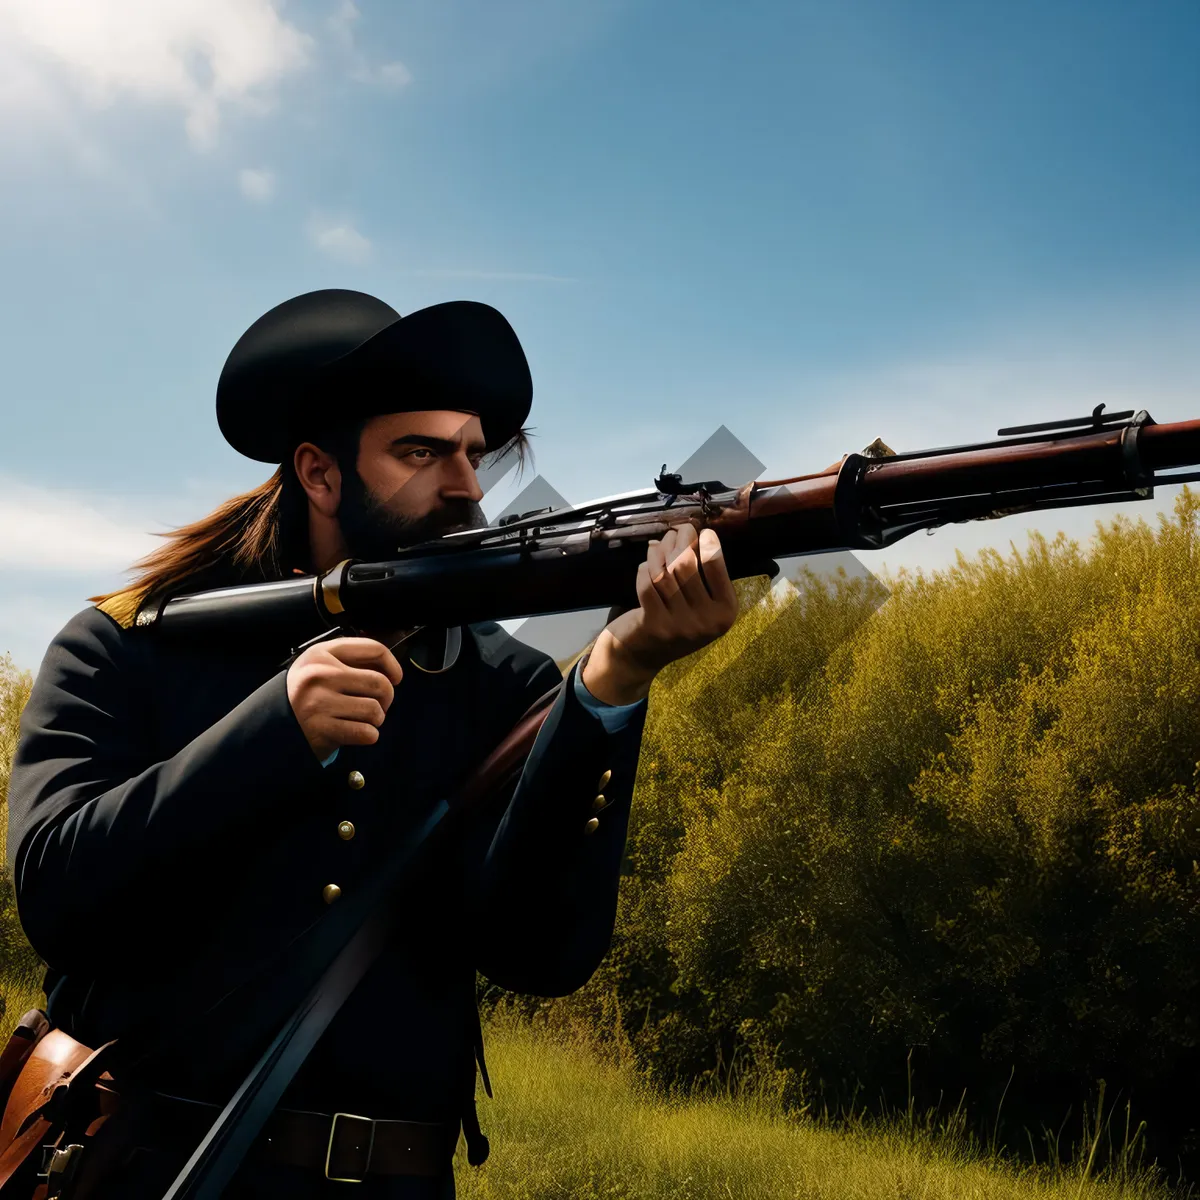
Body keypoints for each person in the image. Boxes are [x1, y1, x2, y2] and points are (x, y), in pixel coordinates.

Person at [6, 289, 739, 1197]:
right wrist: (275, 730)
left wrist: (614, 682)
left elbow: (541, 956)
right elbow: (57, 894)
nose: (466, 485)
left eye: (472, 453)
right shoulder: (126, 644)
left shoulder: (508, 685)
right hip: (142, 1175)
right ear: (319, 474)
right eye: (420, 452)